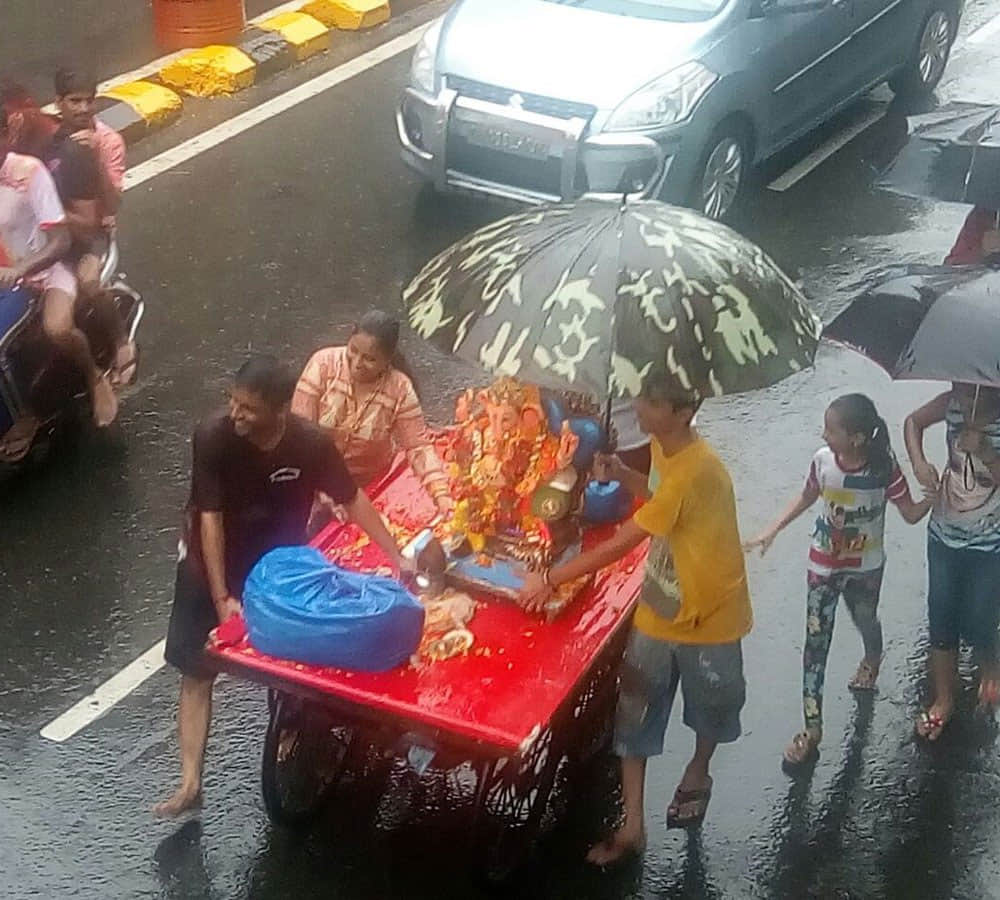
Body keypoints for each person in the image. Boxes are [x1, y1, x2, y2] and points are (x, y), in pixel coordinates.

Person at [155, 355, 408, 818]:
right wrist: (222, 599)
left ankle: (299, 727)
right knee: (196, 670)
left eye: (248, 408)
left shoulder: (310, 444)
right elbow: (210, 519)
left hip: (280, 568)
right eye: (232, 402)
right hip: (210, 561)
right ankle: (190, 780)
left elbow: (353, 499)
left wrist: (397, 557)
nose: (235, 414)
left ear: (280, 409)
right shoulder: (212, 436)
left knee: (299, 665)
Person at [518, 375, 751, 864]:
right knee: (634, 709)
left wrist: (551, 578)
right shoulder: (665, 447)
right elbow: (656, 493)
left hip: (709, 614)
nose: (638, 407)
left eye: (652, 402)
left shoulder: (698, 471)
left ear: (684, 413)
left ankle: (699, 769)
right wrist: (624, 474)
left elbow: (625, 540)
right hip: (662, 604)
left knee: (713, 704)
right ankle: (632, 826)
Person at [745, 394, 932, 768]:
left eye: (831, 430)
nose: (824, 435)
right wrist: (773, 529)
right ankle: (812, 729)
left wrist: (934, 494)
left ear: (857, 438)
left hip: (865, 570)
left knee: (866, 620)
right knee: (815, 647)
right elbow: (807, 495)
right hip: (823, 569)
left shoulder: (883, 470)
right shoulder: (823, 462)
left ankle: (873, 654)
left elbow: (910, 513)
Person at [904, 382, 1000, 741]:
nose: (965, 393)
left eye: (975, 389)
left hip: (990, 542)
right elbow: (913, 421)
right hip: (944, 533)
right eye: (960, 385)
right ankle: (944, 698)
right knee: (941, 615)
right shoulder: (952, 405)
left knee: (980, 617)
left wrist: (987, 452)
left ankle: (990, 666)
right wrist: (919, 462)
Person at [1, 104, 94, 459]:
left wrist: (21, 268)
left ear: (5, 135)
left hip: (46, 271)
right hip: (8, 279)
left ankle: (93, 379)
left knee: (56, 329)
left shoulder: (29, 172)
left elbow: (60, 240)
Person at [292, 310, 453, 514]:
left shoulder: (400, 389)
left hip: (367, 489)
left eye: (369, 359)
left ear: (387, 359)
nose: (357, 363)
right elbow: (299, 436)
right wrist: (319, 487)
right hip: (312, 479)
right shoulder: (323, 364)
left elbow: (418, 447)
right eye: (353, 350)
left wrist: (441, 494)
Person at [49, 66, 135, 385]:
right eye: (75, 101)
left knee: (89, 282)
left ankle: (121, 342)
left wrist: (95, 158)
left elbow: (112, 205)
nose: (84, 108)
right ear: (59, 103)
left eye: (89, 100)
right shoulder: (51, 139)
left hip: (93, 234)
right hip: (53, 233)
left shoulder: (108, 141)